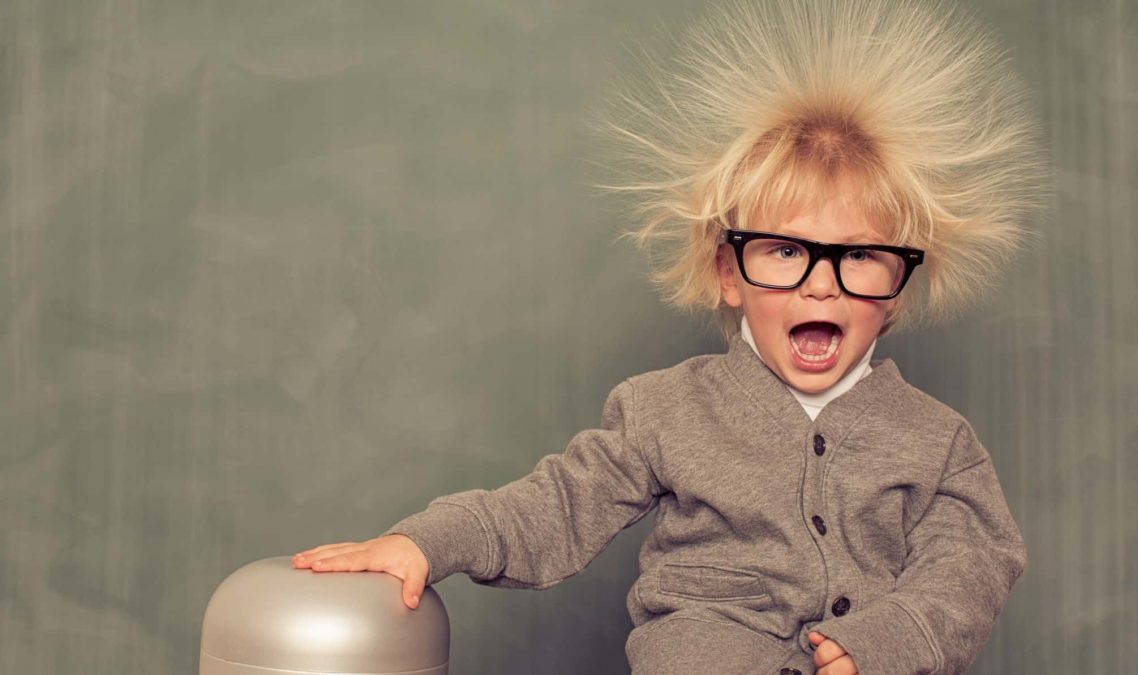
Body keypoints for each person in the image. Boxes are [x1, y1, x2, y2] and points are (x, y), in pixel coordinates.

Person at [293, 0, 1046, 672]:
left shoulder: (938, 441)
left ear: (896, 291)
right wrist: (431, 540)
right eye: (785, 251)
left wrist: (887, 640)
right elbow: (554, 504)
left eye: (859, 257)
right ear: (729, 271)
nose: (822, 283)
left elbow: (972, 562)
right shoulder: (667, 410)